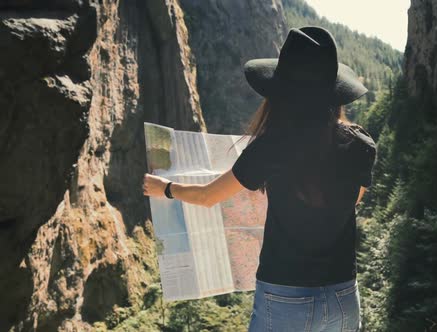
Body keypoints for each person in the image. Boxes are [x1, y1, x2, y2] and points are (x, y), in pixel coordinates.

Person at [143, 26, 377, 332]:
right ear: (334, 94)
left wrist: (166, 189)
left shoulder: (271, 147)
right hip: (343, 296)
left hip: (285, 299)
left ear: (281, 95)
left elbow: (208, 196)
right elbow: (352, 199)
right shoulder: (361, 144)